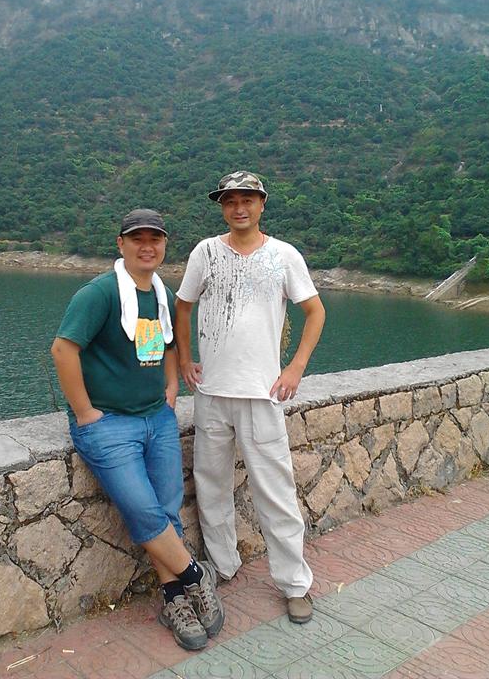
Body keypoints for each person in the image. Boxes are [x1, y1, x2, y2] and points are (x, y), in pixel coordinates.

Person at [51, 208, 224, 651]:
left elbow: (168, 344)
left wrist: (171, 389)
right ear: (121, 244)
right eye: (137, 238)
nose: (147, 246)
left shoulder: (162, 294)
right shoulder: (100, 294)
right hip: (108, 424)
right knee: (143, 509)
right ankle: (195, 575)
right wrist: (85, 412)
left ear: (164, 245)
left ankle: (173, 598)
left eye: (155, 239)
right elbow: (64, 350)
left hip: (156, 418)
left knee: (167, 509)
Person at [175, 172, 326, 624]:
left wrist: (295, 367)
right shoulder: (205, 252)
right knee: (211, 484)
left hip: (262, 394)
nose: (238, 208)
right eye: (230, 201)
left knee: (276, 491)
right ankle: (223, 564)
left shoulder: (284, 255)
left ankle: (295, 584)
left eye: (247, 200)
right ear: (222, 207)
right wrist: (185, 359)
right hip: (211, 393)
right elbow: (183, 306)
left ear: (262, 204)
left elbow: (315, 311)